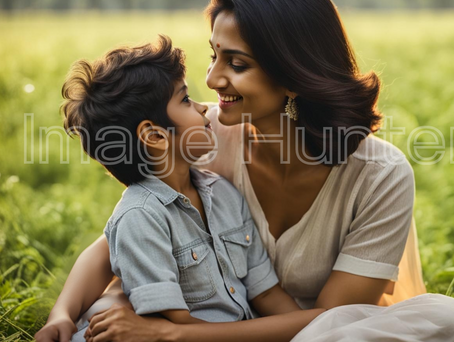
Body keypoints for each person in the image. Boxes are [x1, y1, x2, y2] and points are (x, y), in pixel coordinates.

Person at [37, 0, 454, 342]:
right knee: (106, 308)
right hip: (214, 321)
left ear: (293, 75)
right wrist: (61, 313)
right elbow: (115, 242)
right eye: (214, 57)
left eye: (237, 63)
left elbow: (333, 318)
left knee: (448, 317)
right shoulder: (201, 136)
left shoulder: (380, 175)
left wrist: (174, 336)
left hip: (307, 333)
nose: (211, 79)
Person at [35, 35, 324, 342]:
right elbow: (172, 329)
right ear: (155, 136)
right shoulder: (140, 217)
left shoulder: (223, 193)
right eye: (185, 100)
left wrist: (317, 328)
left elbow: (266, 293)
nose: (203, 108)